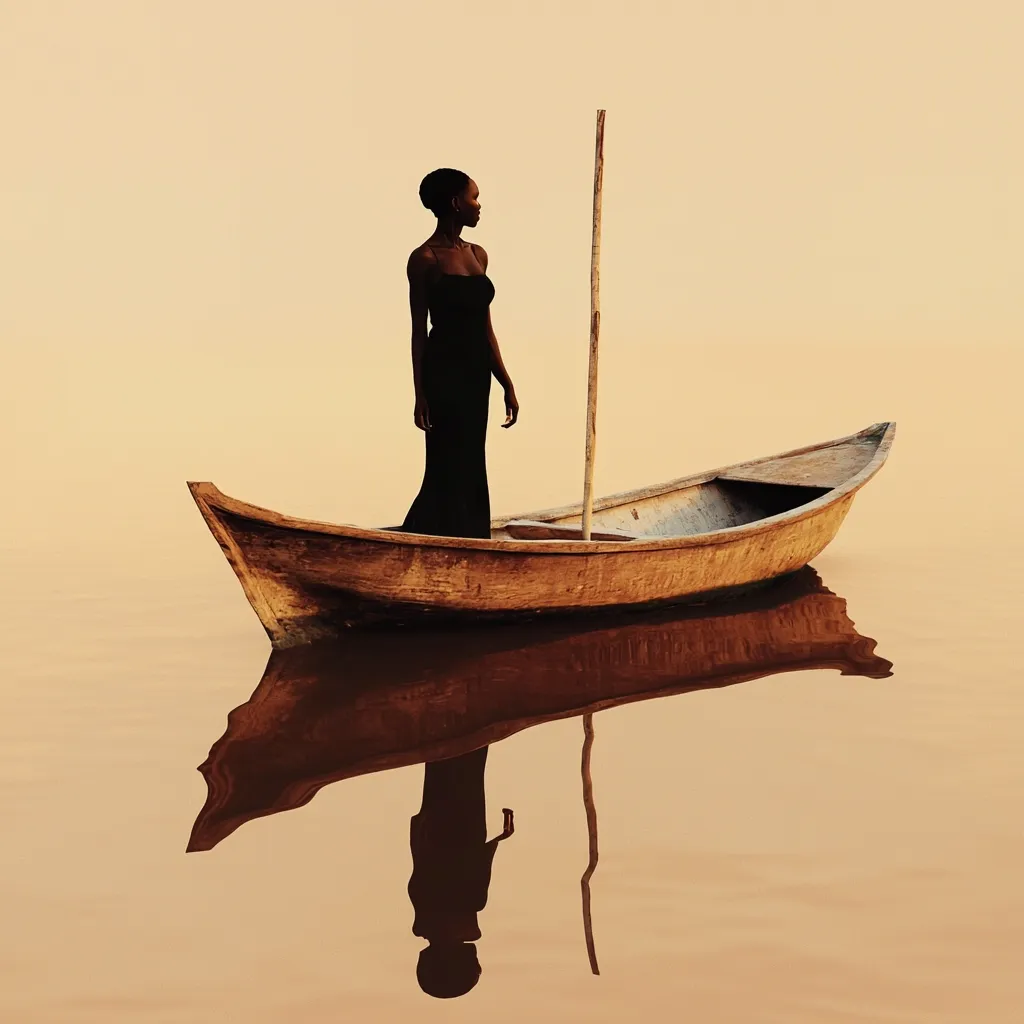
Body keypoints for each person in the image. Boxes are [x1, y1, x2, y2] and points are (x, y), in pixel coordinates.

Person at [401, 168, 519, 539]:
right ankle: (433, 536)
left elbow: (485, 328)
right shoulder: (424, 259)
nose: (479, 206)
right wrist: (420, 394)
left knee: (472, 458)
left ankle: (470, 537)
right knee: (444, 460)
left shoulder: (478, 255)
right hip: (443, 371)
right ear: (455, 203)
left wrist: (506, 381)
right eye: (474, 198)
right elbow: (419, 332)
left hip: (475, 372)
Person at [408, 747, 515, 998]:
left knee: (469, 752)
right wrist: (499, 839)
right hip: (437, 815)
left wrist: (497, 841)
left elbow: (476, 859)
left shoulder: (470, 900)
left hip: (462, 815)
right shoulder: (423, 904)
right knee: (442, 757)